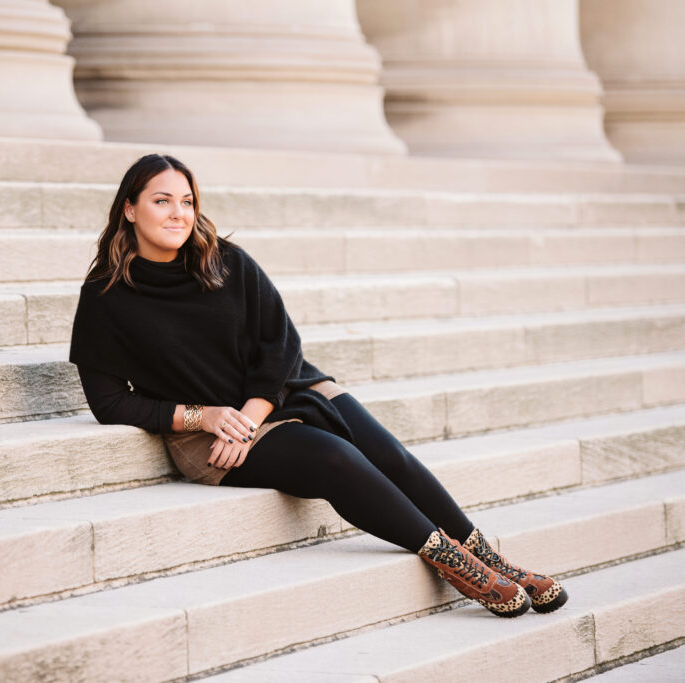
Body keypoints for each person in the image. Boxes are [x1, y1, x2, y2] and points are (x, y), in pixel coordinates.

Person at [69, 153, 567, 618]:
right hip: (207, 436)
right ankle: (459, 567)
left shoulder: (226, 261)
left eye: (188, 201)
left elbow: (280, 345)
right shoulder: (106, 295)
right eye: (162, 201)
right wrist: (208, 417)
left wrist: (252, 413)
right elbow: (109, 401)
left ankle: (491, 557)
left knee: (388, 453)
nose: (179, 214)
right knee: (336, 458)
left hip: (278, 392)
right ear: (129, 209)